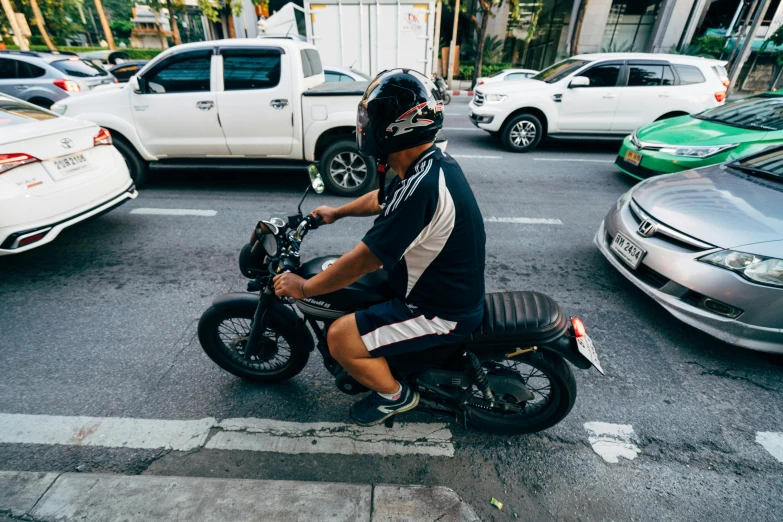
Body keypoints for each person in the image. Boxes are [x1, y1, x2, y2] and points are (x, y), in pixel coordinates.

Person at [273, 69, 486, 426]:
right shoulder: (429, 165)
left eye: (370, 118)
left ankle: (395, 396)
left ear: (394, 128)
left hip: (438, 310)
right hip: (437, 286)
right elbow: (383, 198)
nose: (364, 125)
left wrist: (304, 287)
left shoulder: (422, 188)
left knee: (341, 338)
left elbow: (363, 261)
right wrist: (337, 213)